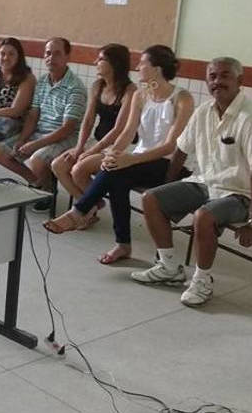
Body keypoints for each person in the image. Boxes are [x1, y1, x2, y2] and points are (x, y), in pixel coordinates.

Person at [131, 57, 252, 306]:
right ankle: (169, 267)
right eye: (212, 77)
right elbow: (181, 150)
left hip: (237, 194)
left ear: (240, 81)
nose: (217, 82)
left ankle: (202, 280)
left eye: (224, 76)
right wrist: (166, 186)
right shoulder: (204, 111)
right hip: (204, 183)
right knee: (151, 199)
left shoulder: (250, 117)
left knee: (203, 216)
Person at [43, 45, 194, 266]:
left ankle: (81, 213)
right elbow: (127, 133)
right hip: (139, 159)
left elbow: (170, 146)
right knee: (115, 174)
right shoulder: (141, 96)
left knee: (116, 171)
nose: (138, 67)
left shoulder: (182, 98)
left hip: (167, 164)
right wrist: (114, 153)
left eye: (142, 64)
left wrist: (128, 159)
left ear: (156, 69)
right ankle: (121, 243)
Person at [0, 37, 86, 212]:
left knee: (36, 159)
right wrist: (23, 139)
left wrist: (35, 145)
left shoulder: (75, 87)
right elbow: (33, 116)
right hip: (40, 133)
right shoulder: (42, 81)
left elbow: (67, 129)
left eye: (57, 53)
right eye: (48, 53)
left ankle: (47, 190)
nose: (51, 58)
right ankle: (39, 184)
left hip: (66, 138)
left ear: (67, 57)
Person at [49, 44, 137, 211]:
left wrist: (90, 152)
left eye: (101, 59)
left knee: (78, 170)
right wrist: (79, 148)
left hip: (121, 145)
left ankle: (85, 209)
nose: (96, 62)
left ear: (115, 63)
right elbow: (88, 120)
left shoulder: (130, 91)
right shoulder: (97, 86)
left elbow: (119, 129)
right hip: (98, 140)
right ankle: (90, 207)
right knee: (58, 165)